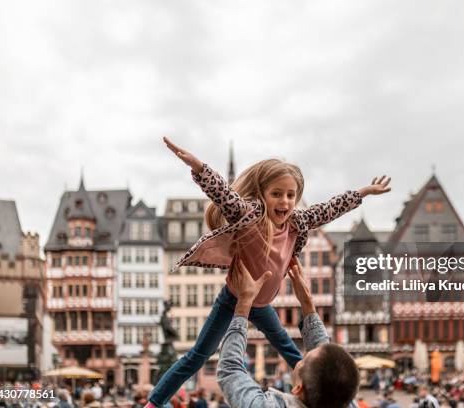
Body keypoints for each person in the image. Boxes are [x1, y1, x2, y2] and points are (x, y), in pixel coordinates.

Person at [147, 137, 391, 408]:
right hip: (234, 299)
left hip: (262, 305)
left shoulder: (298, 222)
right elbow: (224, 196)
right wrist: (199, 168)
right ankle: (153, 404)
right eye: (276, 194)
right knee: (196, 357)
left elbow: (328, 210)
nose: (285, 201)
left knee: (292, 352)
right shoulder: (248, 216)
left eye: (290, 195)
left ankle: (321, 392)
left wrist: (362, 193)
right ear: (262, 194)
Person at [217, 257, 360, 408]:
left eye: (303, 360)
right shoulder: (341, 399)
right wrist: (307, 303)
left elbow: (230, 368)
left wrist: (244, 302)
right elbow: (325, 364)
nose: (300, 358)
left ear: (298, 388)